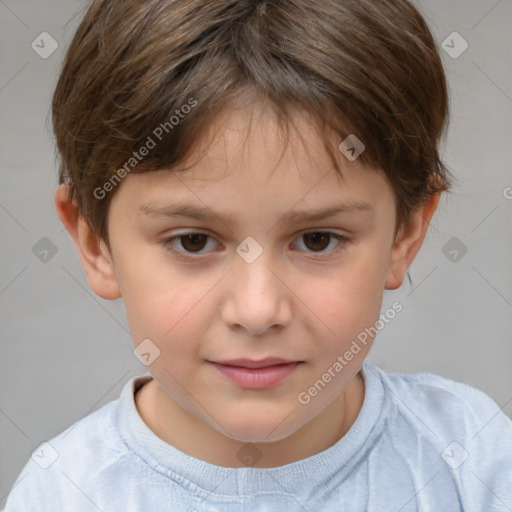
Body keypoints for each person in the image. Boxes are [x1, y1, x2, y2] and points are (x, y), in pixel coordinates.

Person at [3, 0, 511, 510]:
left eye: (317, 240)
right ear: (96, 244)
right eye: (193, 241)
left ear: (405, 233)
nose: (258, 310)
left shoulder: (474, 462)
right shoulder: (61, 494)